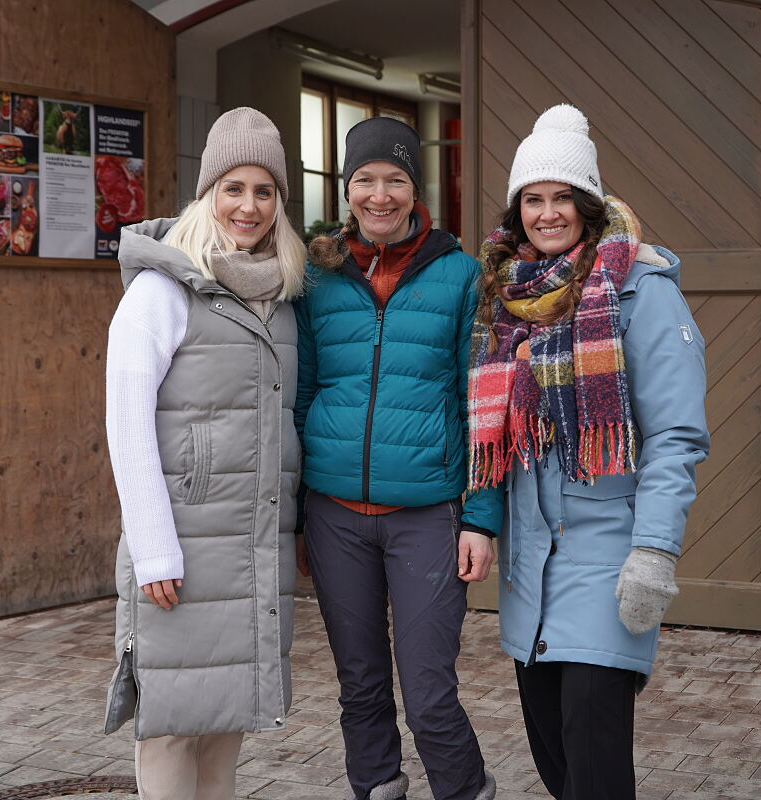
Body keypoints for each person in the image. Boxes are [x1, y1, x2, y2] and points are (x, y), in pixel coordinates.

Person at [467, 105, 709, 800]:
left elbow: (676, 434)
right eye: (533, 200)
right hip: (531, 572)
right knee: (558, 765)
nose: (548, 214)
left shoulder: (639, 291)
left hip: (608, 558)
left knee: (596, 768)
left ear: (588, 205)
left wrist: (655, 550)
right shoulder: (505, 299)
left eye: (562, 198)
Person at [295, 116, 501, 800]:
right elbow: (301, 396)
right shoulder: (316, 278)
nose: (379, 196)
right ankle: (377, 787)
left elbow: (486, 406)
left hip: (428, 515)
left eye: (395, 180)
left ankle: (464, 790)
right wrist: (299, 511)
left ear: (417, 189)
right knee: (359, 684)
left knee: (430, 693)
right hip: (333, 515)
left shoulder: (462, 276)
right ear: (346, 188)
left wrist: (482, 517)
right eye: (365, 180)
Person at [104, 107, 306, 800]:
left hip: (251, 546)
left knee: (228, 718)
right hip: (182, 548)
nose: (248, 206)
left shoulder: (279, 298)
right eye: (233, 188)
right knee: (169, 724)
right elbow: (126, 425)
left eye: (264, 191)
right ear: (206, 193)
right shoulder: (160, 291)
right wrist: (155, 548)